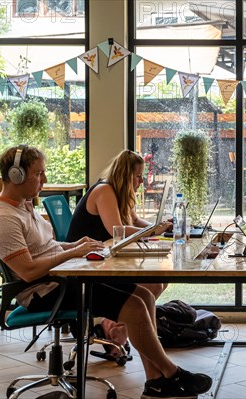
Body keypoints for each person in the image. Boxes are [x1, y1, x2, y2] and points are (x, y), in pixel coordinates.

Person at [0, 146, 212, 399]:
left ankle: (155, 381)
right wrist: (71, 254)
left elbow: (45, 248)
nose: (44, 179)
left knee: (144, 297)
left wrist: (75, 246)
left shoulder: (24, 207)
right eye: (39, 173)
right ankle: (172, 373)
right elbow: (27, 271)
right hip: (44, 291)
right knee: (135, 306)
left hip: (62, 278)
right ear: (16, 175)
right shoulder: (3, 219)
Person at [66, 149, 171, 357]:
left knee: (160, 280)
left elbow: (135, 222)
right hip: (85, 267)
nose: (141, 181)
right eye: (138, 176)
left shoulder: (120, 193)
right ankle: (114, 329)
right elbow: (118, 231)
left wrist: (161, 227)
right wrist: (152, 231)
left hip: (103, 259)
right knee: (154, 283)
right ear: (125, 175)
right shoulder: (104, 191)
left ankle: (114, 328)